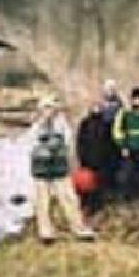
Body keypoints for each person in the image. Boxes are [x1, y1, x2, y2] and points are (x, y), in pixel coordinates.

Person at [29, 95, 95, 243]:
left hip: (60, 168)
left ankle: (79, 229)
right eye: (45, 108)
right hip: (41, 170)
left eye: (50, 108)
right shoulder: (35, 126)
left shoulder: (62, 124)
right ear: (40, 110)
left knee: (70, 199)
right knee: (42, 202)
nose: (48, 111)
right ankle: (45, 232)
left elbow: (68, 144)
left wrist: (65, 157)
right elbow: (31, 146)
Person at [76, 102, 111, 212]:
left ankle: (97, 204)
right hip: (88, 159)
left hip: (102, 159)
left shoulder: (106, 124)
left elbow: (109, 142)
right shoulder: (85, 123)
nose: (96, 109)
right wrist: (82, 157)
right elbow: (80, 142)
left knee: (99, 183)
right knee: (87, 183)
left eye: (98, 108)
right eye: (94, 107)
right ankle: (86, 203)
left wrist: (108, 156)